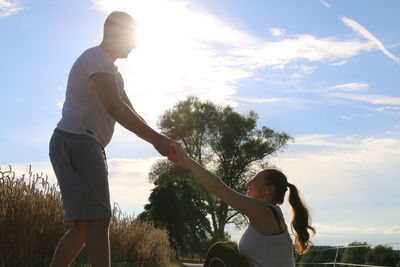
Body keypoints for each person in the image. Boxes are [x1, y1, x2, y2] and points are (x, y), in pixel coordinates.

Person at [48, 11, 177, 267]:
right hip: (77, 141)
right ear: (114, 32)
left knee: (84, 225)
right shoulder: (97, 58)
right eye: (131, 38)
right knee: (98, 220)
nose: (134, 45)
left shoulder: (114, 72)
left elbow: (129, 109)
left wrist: (162, 139)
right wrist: (157, 141)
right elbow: (113, 106)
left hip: (82, 143)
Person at [173, 143, 316, 267]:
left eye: (254, 181)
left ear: (269, 190)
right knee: (230, 248)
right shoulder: (268, 215)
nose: (248, 184)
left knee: (220, 250)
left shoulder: (265, 213)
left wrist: (186, 160)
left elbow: (217, 187)